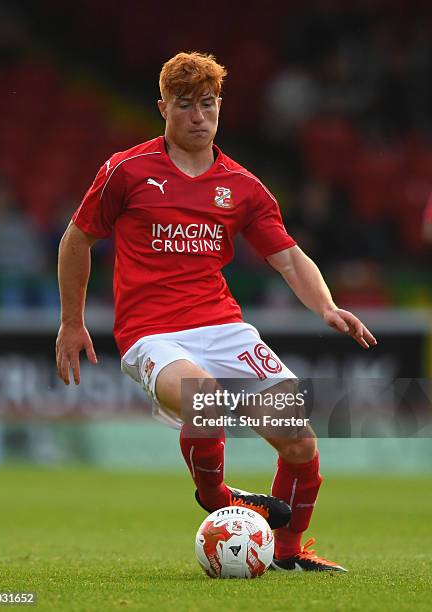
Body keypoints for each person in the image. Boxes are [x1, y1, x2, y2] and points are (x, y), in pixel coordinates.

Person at [56, 52, 377, 572]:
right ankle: (215, 495)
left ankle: (289, 553)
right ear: (162, 107)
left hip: (224, 327)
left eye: (208, 104)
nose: (198, 116)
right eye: (185, 105)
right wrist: (72, 322)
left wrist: (327, 305)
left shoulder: (243, 186)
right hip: (152, 334)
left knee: (300, 441)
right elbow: (77, 238)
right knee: (203, 400)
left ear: (220, 107)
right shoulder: (127, 171)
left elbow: (289, 257)